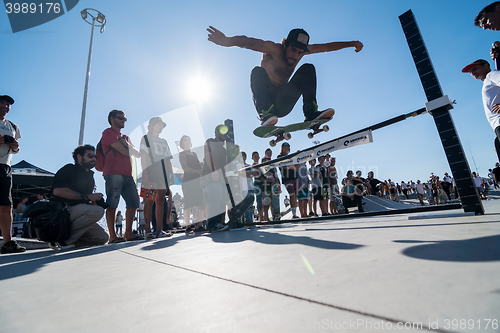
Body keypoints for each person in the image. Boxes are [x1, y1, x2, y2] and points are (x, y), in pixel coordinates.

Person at [207, 26, 363, 126]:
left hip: (283, 103)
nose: (295, 56)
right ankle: (265, 114)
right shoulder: (273, 49)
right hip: (267, 100)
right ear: (285, 45)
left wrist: (352, 43)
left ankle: (310, 113)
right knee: (257, 71)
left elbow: (327, 47)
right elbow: (250, 42)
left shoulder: (300, 54)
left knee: (308, 68)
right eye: (293, 50)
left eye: (300, 52)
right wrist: (227, 41)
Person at [49, 144, 109, 250]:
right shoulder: (69, 169)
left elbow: (85, 200)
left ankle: (66, 242)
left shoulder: (90, 176)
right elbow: (57, 191)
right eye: (90, 156)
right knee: (97, 211)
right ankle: (63, 240)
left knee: (102, 238)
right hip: (62, 211)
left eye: (95, 157)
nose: (94, 158)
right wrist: (88, 197)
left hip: (79, 213)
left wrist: (94, 201)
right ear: (79, 157)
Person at [100, 110, 143, 243]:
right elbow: (125, 152)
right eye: (120, 118)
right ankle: (113, 236)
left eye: (125, 118)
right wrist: (127, 148)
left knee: (134, 202)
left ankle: (128, 233)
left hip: (127, 174)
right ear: (112, 119)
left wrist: (127, 145)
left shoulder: (125, 137)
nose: (123, 121)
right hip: (113, 173)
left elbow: (137, 153)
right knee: (112, 202)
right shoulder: (108, 133)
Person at [140, 117, 174, 239]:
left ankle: (159, 230)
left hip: (163, 171)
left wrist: (171, 173)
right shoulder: (145, 139)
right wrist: (145, 174)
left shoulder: (164, 141)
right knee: (148, 200)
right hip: (151, 170)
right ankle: (148, 230)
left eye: (162, 125)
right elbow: (143, 157)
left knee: (160, 200)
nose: (161, 127)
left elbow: (168, 158)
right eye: (159, 124)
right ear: (152, 125)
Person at [0, 95, 25, 254]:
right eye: (2, 102)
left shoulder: (13, 126)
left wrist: (15, 146)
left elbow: (16, 150)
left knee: (6, 205)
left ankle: (8, 242)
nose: (6, 105)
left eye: (8, 104)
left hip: (5, 167)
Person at [462, 59, 500, 163]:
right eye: (470, 72)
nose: (472, 72)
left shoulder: (492, 75)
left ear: (486, 66)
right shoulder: (487, 82)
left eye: (475, 68)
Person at [203, 124, 230, 232]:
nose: (224, 134)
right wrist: (213, 170)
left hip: (222, 177)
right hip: (212, 175)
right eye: (222, 132)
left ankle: (219, 223)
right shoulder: (210, 141)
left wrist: (227, 177)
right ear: (216, 132)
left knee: (222, 201)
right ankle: (212, 225)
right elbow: (208, 155)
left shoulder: (223, 149)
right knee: (215, 199)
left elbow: (225, 164)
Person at [179, 135, 205, 234]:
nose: (188, 141)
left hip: (196, 181)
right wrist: (198, 172)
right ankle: (188, 226)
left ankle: (197, 225)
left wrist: (201, 169)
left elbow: (199, 166)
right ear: (182, 143)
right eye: (185, 140)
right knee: (188, 203)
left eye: (189, 139)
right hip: (187, 181)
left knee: (197, 203)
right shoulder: (182, 154)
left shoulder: (194, 154)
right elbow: (185, 168)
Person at [277, 142, 299, 218]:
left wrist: (290, 166)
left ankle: (295, 213)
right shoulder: (279, 156)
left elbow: (298, 166)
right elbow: (284, 166)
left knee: (295, 195)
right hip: (287, 178)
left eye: (287, 147)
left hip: (294, 177)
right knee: (292, 194)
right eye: (284, 147)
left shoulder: (291, 156)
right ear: (282, 148)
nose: (286, 148)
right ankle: (293, 213)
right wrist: (292, 166)